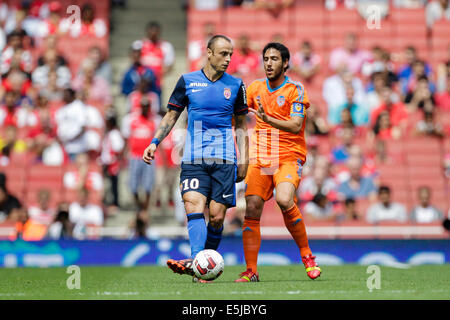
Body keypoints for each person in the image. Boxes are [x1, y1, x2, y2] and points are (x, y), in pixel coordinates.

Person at [142, 35, 249, 283]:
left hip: (224, 159)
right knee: (193, 206)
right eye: (223, 53)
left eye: (231, 54)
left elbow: (242, 124)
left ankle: (201, 263)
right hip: (193, 158)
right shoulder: (188, 81)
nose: (228, 59)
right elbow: (170, 116)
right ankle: (200, 266)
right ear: (209, 53)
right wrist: (154, 142)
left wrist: (245, 160)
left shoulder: (236, 85)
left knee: (217, 218)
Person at [235, 42, 321, 283]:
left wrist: (267, 118)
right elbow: (239, 114)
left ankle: (307, 256)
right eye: (265, 59)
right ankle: (251, 271)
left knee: (285, 199)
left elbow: (296, 125)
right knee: (251, 207)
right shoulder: (254, 88)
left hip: (288, 154)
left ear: (285, 63)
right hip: (262, 155)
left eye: (274, 59)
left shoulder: (296, 89)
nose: (268, 63)